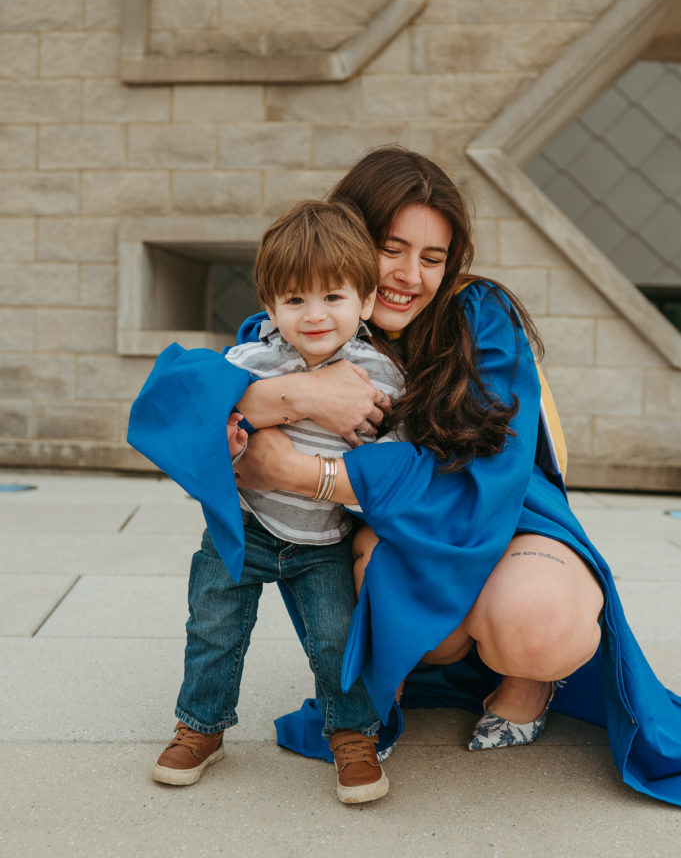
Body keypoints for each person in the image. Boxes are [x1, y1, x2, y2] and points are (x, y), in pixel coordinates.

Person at [129, 147, 681, 807]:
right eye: (390, 249)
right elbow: (180, 401)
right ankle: (375, 699)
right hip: (380, 529)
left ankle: (527, 685)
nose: (409, 277)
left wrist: (302, 471)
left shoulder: (478, 317)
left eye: (432, 257)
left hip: (497, 513)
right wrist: (300, 395)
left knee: (538, 620)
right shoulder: (303, 319)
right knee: (376, 580)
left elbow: (478, 472)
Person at [148, 199, 405, 804]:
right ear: (270, 306)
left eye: (333, 296)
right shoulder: (247, 364)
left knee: (337, 638)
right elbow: (199, 429)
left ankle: (352, 734)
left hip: (324, 539)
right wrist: (230, 442)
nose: (314, 315)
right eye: (294, 299)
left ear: (367, 301)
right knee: (213, 628)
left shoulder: (383, 377)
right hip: (243, 526)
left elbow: (395, 463)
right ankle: (200, 726)